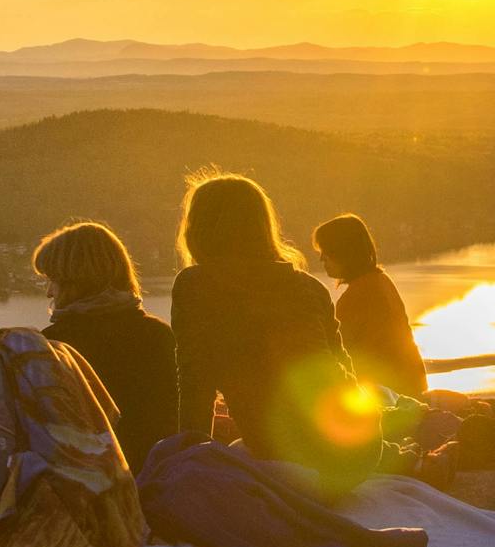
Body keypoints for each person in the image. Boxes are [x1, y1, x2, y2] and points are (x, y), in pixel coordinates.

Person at [170, 173, 381, 487]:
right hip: (361, 451)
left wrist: (190, 471)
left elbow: (195, 388)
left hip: (295, 462)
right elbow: (344, 372)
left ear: (198, 228)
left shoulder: (195, 285)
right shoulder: (309, 286)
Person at [34, 222, 178, 466]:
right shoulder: (159, 335)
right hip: (158, 481)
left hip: (87, 488)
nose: (49, 292)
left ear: (75, 281)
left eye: (53, 280)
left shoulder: (54, 346)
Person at [312, 213, 427, 398]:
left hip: (387, 394)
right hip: (410, 385)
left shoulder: (358, 296)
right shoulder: (380, 280)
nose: (322, 259)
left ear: (344, 252)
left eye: (327, 252)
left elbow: (337, 353)